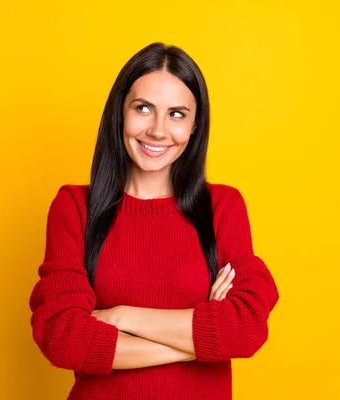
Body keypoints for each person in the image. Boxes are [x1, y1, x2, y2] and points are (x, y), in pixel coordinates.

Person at [28, 42, 279, 400]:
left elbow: (247, 327)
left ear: (195, 126)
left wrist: (120, 317)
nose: (158, 131)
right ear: (120, 114)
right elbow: (63, 337)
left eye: (177, 114)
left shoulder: (222, 207)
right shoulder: (75, 207)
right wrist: (201, 342)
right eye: (143, 108)